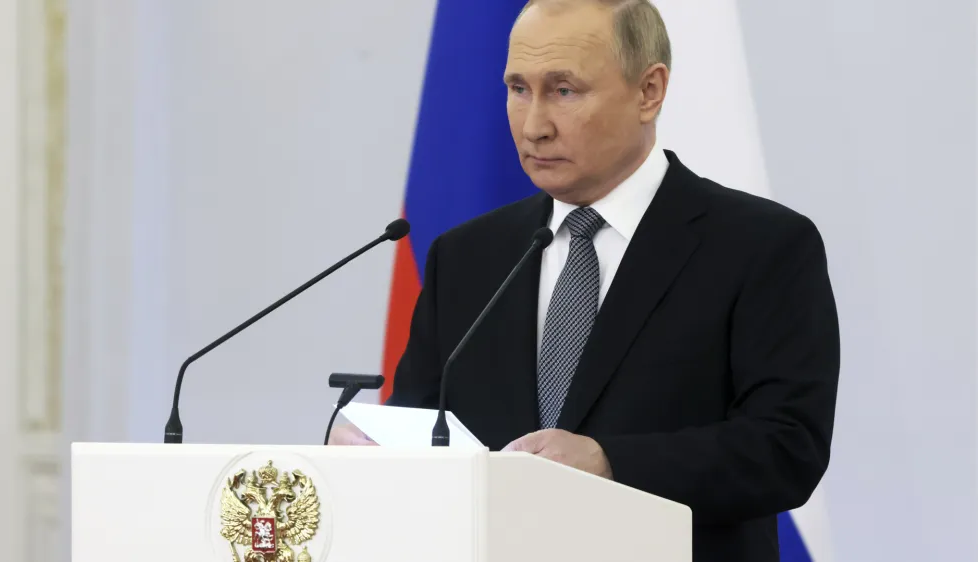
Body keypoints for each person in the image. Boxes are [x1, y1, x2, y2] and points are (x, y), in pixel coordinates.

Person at [331, 0, 840, 560]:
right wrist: (372, 449)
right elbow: (424, 427)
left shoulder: (759, 246)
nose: (533, 125)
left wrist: (609, 462)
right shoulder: (467, 256)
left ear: (649, 91)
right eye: (518, 88)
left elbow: (787, 448)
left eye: (564, 90)